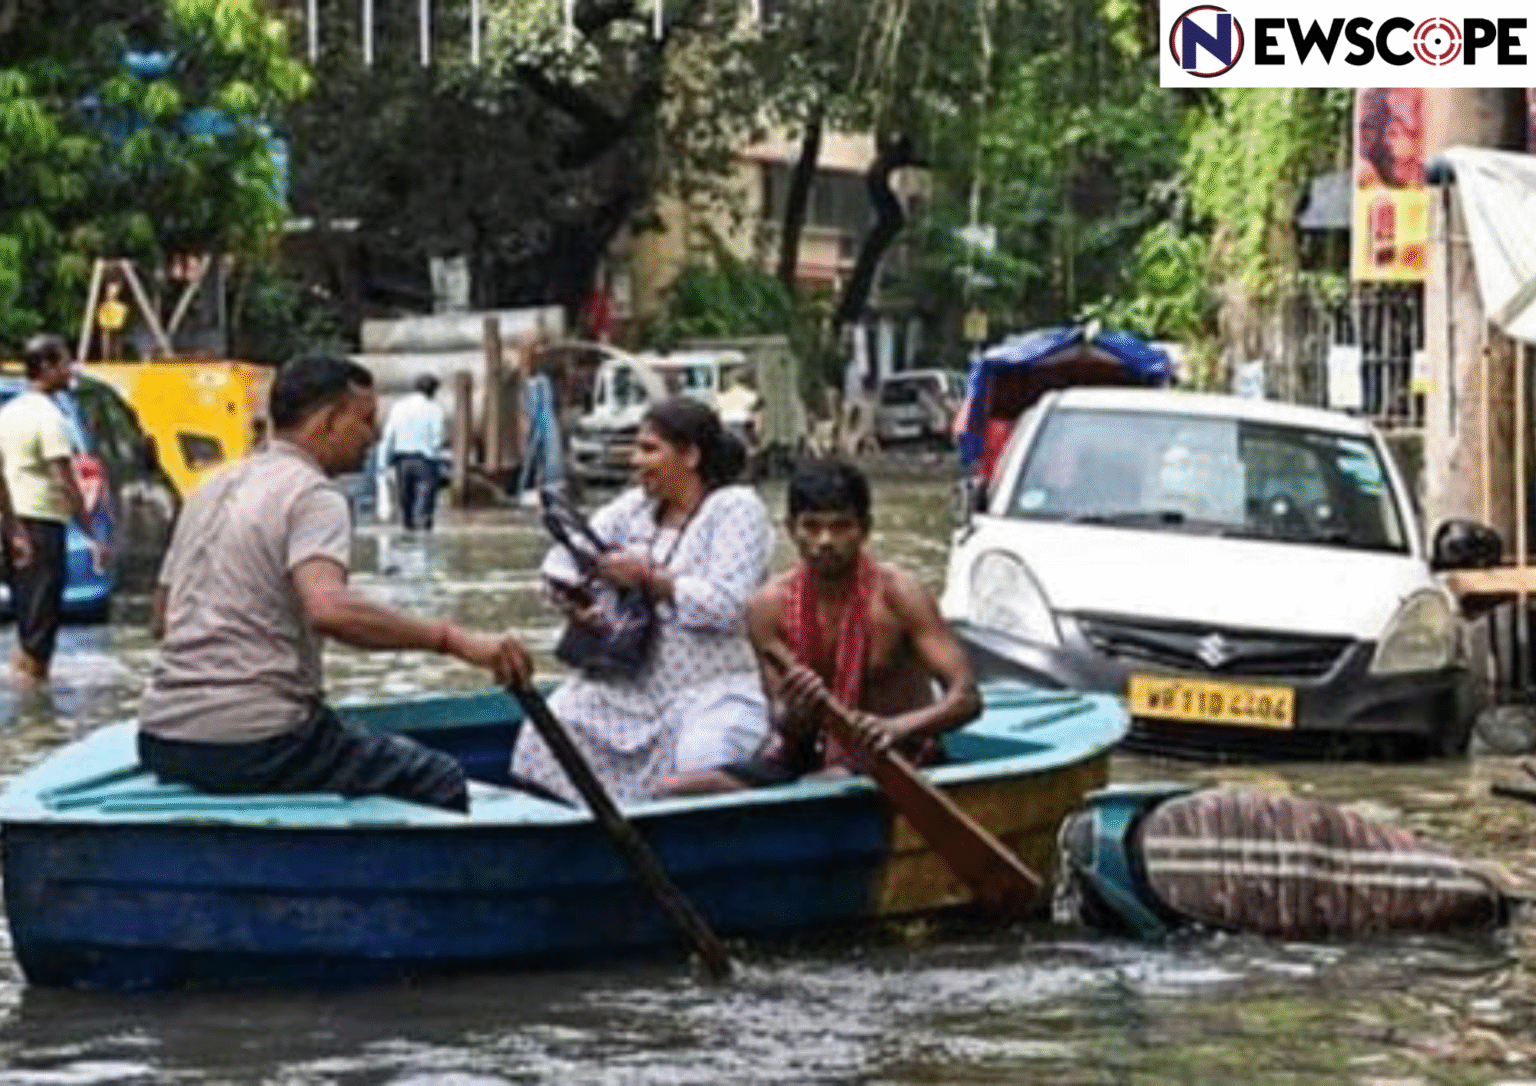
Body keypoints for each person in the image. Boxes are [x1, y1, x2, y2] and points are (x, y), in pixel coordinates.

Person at [137, 354, 532, 812]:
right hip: (258, 744)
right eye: (364, 421)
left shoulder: (208, 488)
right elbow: (329, 610)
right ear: (327, 422)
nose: (374, 437)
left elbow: (161, 620)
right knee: (439, 778)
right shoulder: (315, 495)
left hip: (162, 736)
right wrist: (453, 640)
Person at [657, 459, 981, 795]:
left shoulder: (898, 595)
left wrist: (896, 727)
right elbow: (784, 723)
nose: (825, 541)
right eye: (811, 526)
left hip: (901, 754)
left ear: (865, 529)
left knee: (827, 785)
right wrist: (797, 712)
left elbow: (967, 699)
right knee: (673, 790)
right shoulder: (767, 607)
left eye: (841, 527)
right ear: (790, 529)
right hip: (807, 758)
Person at [510, 396, 775, 804]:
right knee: (549, 728)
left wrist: (650, 579)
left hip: (712, 692)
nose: (636, 460)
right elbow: (563, 559)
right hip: (629, 687)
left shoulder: (736, 508)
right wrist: (576, 597)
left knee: (699, 763)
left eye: (649, 449)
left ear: (689, 455)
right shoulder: (634, 507)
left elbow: (728, 605)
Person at [0, 334, 108, 684]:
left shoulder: (9, 412)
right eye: (64, 362)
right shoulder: (50, 418)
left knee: (27, 622)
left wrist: (11, 526)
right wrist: (91, 533)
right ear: (46, 368)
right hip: (42, 526)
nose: (70, 369)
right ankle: (33, 715)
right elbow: (65, 480)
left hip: (13, 522)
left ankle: (26, 701)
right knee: (40, 628)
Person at [377, 373, 446, 531]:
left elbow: (388, 437)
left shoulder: (399, 407)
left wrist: (383, 464)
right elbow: (437, 439)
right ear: (433, 391)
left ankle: (407, 544)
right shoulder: (435, 410)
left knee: (406, 508)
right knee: (423, 509)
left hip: (402, 462)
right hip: (425, 462)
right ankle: (422, 548)